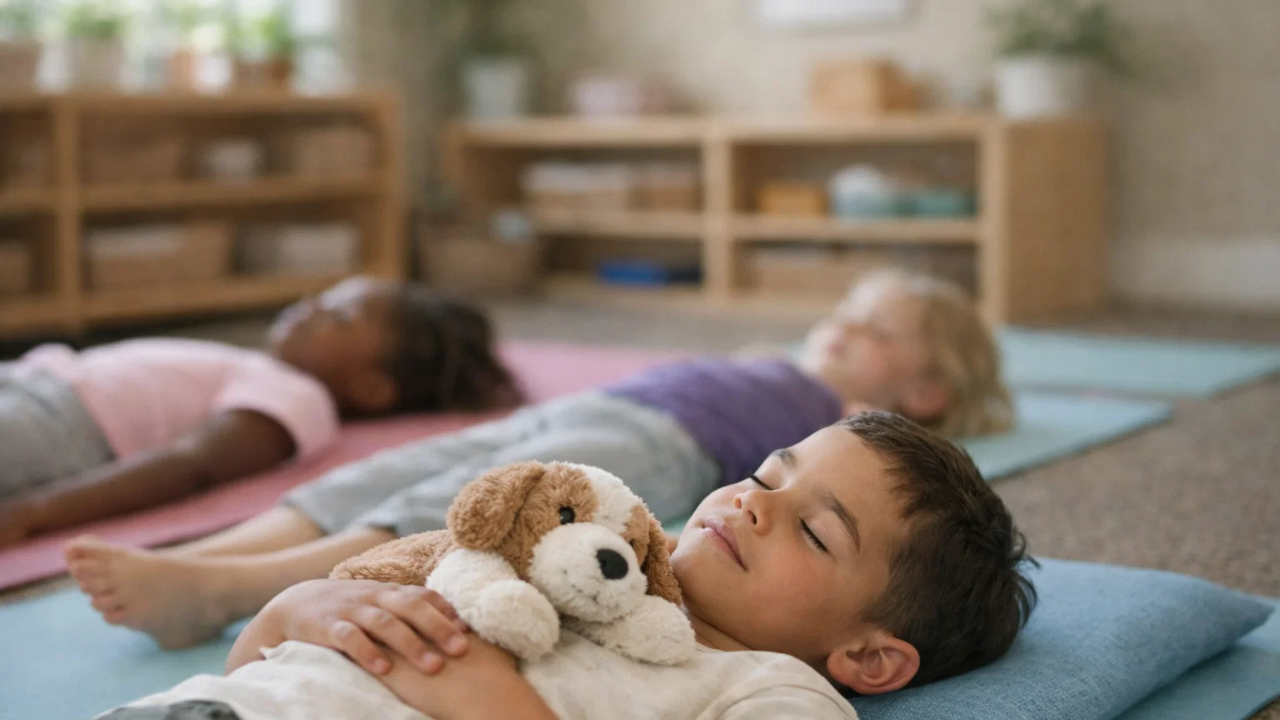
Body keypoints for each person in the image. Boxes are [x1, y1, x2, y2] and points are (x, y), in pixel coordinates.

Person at [66, 269, 1013, 650]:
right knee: (391, 472)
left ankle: (228, 589)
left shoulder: (858, 431)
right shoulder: (778, 377)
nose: (844, 328)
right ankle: (204, 554)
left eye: (877, 331)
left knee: (465, 504)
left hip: (651, 443)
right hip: (591, 405)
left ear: (926, 391)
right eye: (846, 311)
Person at [98, 413, 1036, 720]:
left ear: (869, 657)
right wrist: (299, 607)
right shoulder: (575, 561)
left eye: (816, 533)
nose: (753, 503)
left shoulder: (768, 687)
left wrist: (484, 696)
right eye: (763, 476)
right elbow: (254, 671)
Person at [0, 276, 520, 547]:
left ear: (372, 389)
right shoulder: (265, 367)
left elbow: (192, 464)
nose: (311, 303)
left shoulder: (296, 395)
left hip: (59, 422)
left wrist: (34, 512)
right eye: (325, 296)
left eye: (337, 315)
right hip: (34, 388)